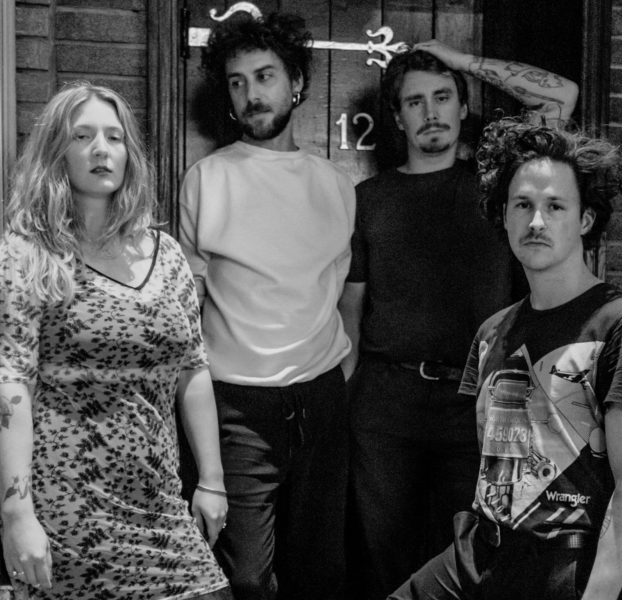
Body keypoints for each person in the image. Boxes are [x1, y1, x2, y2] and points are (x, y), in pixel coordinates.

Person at [387, 119, 622, 600]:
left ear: (585, 220)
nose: (536, 221)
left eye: (555, 206)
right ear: (503, 215)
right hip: (481, 553)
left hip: (563, 567)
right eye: (522, 205)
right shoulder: (493, 331)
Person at [340, 41, 579, 599]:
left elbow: (560, 97)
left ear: (463, 106)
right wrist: (344, 404)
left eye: (443, 97)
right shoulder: (367, 198)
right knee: (385, 561)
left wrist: (463, 61)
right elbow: (350, 312)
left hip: (478, 403)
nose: (431, 112)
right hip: (386, 403)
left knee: (472, 558)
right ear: (397, 117)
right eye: (415, 101)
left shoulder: (497, 189)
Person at [0, 82, 230, 599]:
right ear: (56, 152)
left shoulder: (166, 253)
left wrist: (211, 479)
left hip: (159, 499)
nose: (101, 149)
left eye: (114, 136)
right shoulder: (27, 253)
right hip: (69, 506)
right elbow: (10, 383)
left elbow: (194, 369)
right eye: (82, 136)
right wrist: (16, 514)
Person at [178, 10, 354, 600]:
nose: (251, 94)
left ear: (295, 82)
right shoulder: (207, 179)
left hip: (321, 398)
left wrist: (338, 377)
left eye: (265, 76)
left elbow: (338, 292)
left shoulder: (336, 184)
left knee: (319, 571)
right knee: (246, 577)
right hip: (238, 406)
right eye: (237, 82)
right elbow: (190, 306)